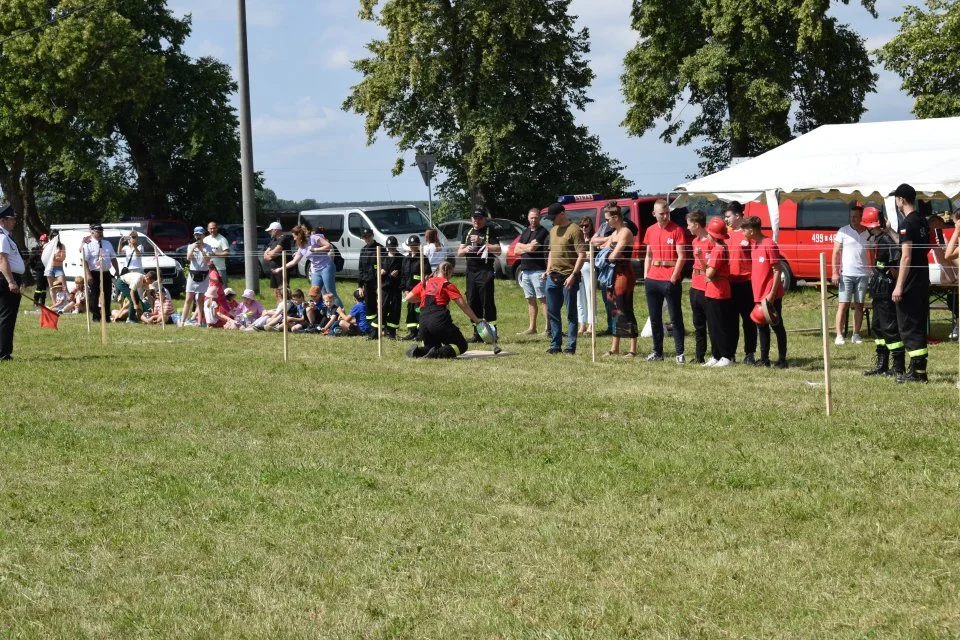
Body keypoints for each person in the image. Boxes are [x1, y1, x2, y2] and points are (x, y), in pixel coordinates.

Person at [890, 183, 930, 383]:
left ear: (901, 199)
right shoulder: (922, 221)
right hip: (923, 279)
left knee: (908, 324)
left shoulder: (906, 223)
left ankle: (916, 373)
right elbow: (919, 248)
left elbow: (905, 257)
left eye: (896, 199)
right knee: (918, 323)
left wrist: (898, 286)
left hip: (911, 281)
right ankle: (919, 370)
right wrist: (890, 232)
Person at [404, 261, 482, 358]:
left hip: (423, 321)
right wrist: (476, 320)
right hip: (438, 319)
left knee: (431, 346)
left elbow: (408, 298)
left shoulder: (425, 283)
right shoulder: (447, 285)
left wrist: (424, 297)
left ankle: (417, 352)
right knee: (461, 345)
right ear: (448, 272)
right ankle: (436, 354)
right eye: (451, 274)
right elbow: (463, 306)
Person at [860, 207, 905, 377]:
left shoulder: (886, 240)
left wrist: (896, 287)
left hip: (886, 290)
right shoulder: (878, 240)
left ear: (870, 226)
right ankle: (882, 364)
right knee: (878, 327)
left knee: (889, 327)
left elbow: (894, 266)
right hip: (878, 289)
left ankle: (898, 365)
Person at [642, 199, 687, 363]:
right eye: (662, 213)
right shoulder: (650, 230)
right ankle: (657, 352)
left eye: (668, 212)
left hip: (670, 279)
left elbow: (682, 256)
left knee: (675, 318)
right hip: (652, 279)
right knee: (654, 318)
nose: (666, 216)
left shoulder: (677, 230)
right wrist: (646, 276)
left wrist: (674, 278)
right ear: (654, 214)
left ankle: (679, 353)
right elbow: (648, 255)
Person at [741, 216, 788, 368]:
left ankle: (782, 360)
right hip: (758, 294)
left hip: (770, 295)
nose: (742, 232)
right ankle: (764, 359)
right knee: (761, 325)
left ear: (752, 230)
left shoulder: (769, 244)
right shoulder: (754, 245)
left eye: (744, 229)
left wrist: (772, 295)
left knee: (776, 325)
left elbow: (777, 270)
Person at [542, 202, 586, 355]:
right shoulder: (553, 230)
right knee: (552, 312)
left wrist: (573, 275)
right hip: (552, 276)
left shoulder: (575, 230)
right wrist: (547, 271)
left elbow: (582, 255)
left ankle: (570, 346)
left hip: (569, 277)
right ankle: (555, 344)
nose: (552, 221)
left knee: (571, 313)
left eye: (553, 218)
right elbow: (551, 253)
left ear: (562, 214)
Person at [597, 202, 639, 358]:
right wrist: (608, 254)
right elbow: (602, 248)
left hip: (624, 275)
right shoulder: (614, 232)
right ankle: (614, 348)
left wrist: (608, 255)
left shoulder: (625, 232)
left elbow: (614, 255)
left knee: (625, 309)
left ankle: (632, 349)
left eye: (608, 219)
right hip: (612, 275)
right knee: (613, 309)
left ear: (615, 217)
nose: (606, 222)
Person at [457, 206, 500, 342]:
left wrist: (482, 242)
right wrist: (466, 249)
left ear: (484, 219)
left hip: (485, 271)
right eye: (475, 218)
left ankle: (492, 333)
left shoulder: (490, 231)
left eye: (480, 218)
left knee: (487, 302)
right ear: (471, 219)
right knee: (472, 301)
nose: (477, 220)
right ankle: (477, 333)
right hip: (471, 272)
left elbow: (498, 250)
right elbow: (459, 252)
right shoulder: (467, 232)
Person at [723, 201, 758, 363]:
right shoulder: (725, 234)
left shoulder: (748, 234)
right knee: (730, 321)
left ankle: (749, 353)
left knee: (748, 321)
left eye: (728, 216)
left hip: (746, 283)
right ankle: (730, 353)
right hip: (729, 283)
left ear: (738, 215)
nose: (726, 220)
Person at [832, 201, 870, 345]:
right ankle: (839, 335)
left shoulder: (868, 232)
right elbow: (835, 253)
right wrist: (835, 272)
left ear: (861, 217)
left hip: (863, 274)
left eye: (855, 216)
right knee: (843, 305)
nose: (853, 219)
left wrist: (871, 269)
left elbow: (872, 251)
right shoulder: (843, 231)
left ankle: (856, 334)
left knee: (859, 305)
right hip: (846, 274)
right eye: (851, 216)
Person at [702, 217, 735, 367]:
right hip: (713, 290)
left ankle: (726, 355)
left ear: (713, 235)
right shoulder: (720, 248)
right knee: (713, 326)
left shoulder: (717, 250)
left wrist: (708, 272)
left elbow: (708, 273)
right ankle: (716, 355)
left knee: (719, 325)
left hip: (718, 291)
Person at [514, 207, 549, 335]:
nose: (533, 220)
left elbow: (534, 248)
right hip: (525, 271)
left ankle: (547, 328)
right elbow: (516, 250)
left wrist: (525, 247)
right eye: (531, 217)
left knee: (543, 299)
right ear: (528, 218)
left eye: (536, 217)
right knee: (530, 299)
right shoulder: (526, 231)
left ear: (539, 218)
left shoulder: (543, 232)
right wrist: (527, 247)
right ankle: (532, 327)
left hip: (538, 271)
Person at [686, 210, 712, 364]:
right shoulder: (695, 241)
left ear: (696, 225)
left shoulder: (710, 241)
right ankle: (699, 355)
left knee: (711, 323)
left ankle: (716, 354)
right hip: (695, 285)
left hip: (706, 285)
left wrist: (701, 256)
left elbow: (711, 265)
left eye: (689, 224)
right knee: (698, 323)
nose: (687, 227)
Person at [81, 223, 120, 323]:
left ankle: (106, 316)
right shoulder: (88, 244)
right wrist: (88, 274)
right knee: (94, 295)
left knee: (107, 294)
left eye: (101, 231)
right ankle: (96, 316)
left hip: (106, 272)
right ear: (92, 232)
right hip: (94, 272)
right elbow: (84, 261)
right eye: (98, 232)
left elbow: (113, 258)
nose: (101, 233)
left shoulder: (107, 243)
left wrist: (117, 270)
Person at [0, 204, 25, 361]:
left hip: (7, 278)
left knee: (5, 316)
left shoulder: (5, 236)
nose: (14, 221)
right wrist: (11, 281)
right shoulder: (2, 237)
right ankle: (3, 353)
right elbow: (2, 259)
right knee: (7, 316)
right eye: (12, 219)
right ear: (2, 220)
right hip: (6, 278)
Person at [180, 226, 212, 327]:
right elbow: (188, 258)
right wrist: (194, 247)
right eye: (196, 234)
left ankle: (199, 321)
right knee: (188, 299)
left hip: (204, 274)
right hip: (193, 274)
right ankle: (182, 321)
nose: (198, 236)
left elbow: (208, 261)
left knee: (200, 299)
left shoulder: (208, 247)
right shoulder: (190, 246)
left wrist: (202, 250)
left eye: (200, 234)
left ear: (203, 235)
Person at [400, 235, 427, 340]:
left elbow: (427, 274)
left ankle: (420, 334)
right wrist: (404, 289)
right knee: (410, 311)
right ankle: (412, 333)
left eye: (415, 245)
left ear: (418, 246)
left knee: (418, 311)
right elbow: (403, 275)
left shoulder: (423, 258)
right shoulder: (406, 259)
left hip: (419, 291)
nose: (413, 247)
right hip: (408, 290)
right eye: (411, 245)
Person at [357, 228, 382, 339]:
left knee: (380, 306)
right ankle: (372, 331)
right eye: (365, 237)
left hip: (379, 283)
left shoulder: (380, 248)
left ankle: (380, 329)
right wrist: (360, 286)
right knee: (370, 308)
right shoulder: (363, 250)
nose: (367, 239)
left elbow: (385, 265)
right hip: (367, 284)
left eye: (368, 236)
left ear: (372, 235)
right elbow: (361, 269)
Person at [309, 225, 341, 307]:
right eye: (311, 234)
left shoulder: (325, 243)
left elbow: (331, 254)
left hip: (326, 267)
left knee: (330, 292)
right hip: (316, 270)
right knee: (316, 293)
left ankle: (340, 313)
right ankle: (323, 313)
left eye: (314, 235)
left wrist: (316, 250)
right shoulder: (311, 242)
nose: (312, 237)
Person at [263, 221, 293, 302]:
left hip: (281, 269)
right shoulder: (273, 240)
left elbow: (276, 251)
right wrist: (271, 255)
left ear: (276, 230)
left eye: (270, 230)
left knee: (283, 290)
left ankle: (286, 308)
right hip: (273, 269)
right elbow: (266, 254)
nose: (269, 232)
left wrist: (271, 254)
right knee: (275, 290)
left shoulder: (284, 238)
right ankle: (278, 309)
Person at [576, 216, 596, 336]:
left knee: (590, 296)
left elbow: (593, 255)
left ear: (590, 226)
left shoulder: (593, 239)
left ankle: (591, 324)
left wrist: (584, 255)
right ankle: (581, 323)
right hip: (579, 269)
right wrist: (584, 255)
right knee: (579, 297)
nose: (584, 228)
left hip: (589, 269)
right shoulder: (578, 240)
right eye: (582, 226)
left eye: (586, 226)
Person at [381, 236, 404, 339]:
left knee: (395, 308)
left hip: (396, 287)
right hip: (384, 286)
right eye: (389, 247)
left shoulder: (401, 258)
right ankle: (383, 328)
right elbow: (375, 270)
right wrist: (380, 273)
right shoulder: (382, 257)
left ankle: (392, 331)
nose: (391, 249)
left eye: (393, 247)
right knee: (383, 307)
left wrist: (398, 275)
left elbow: (404, 272)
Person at [203, 221, 230, 285]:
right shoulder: (205, 239)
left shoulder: (222, 239)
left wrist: (214, 254)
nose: (212, 230)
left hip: (219, 268)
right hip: (207, 269)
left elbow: (227, 253)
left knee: (222, 289)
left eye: (214, 228)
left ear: (217, 228)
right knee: (208, 291)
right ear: (208, 229)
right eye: (211, 228)